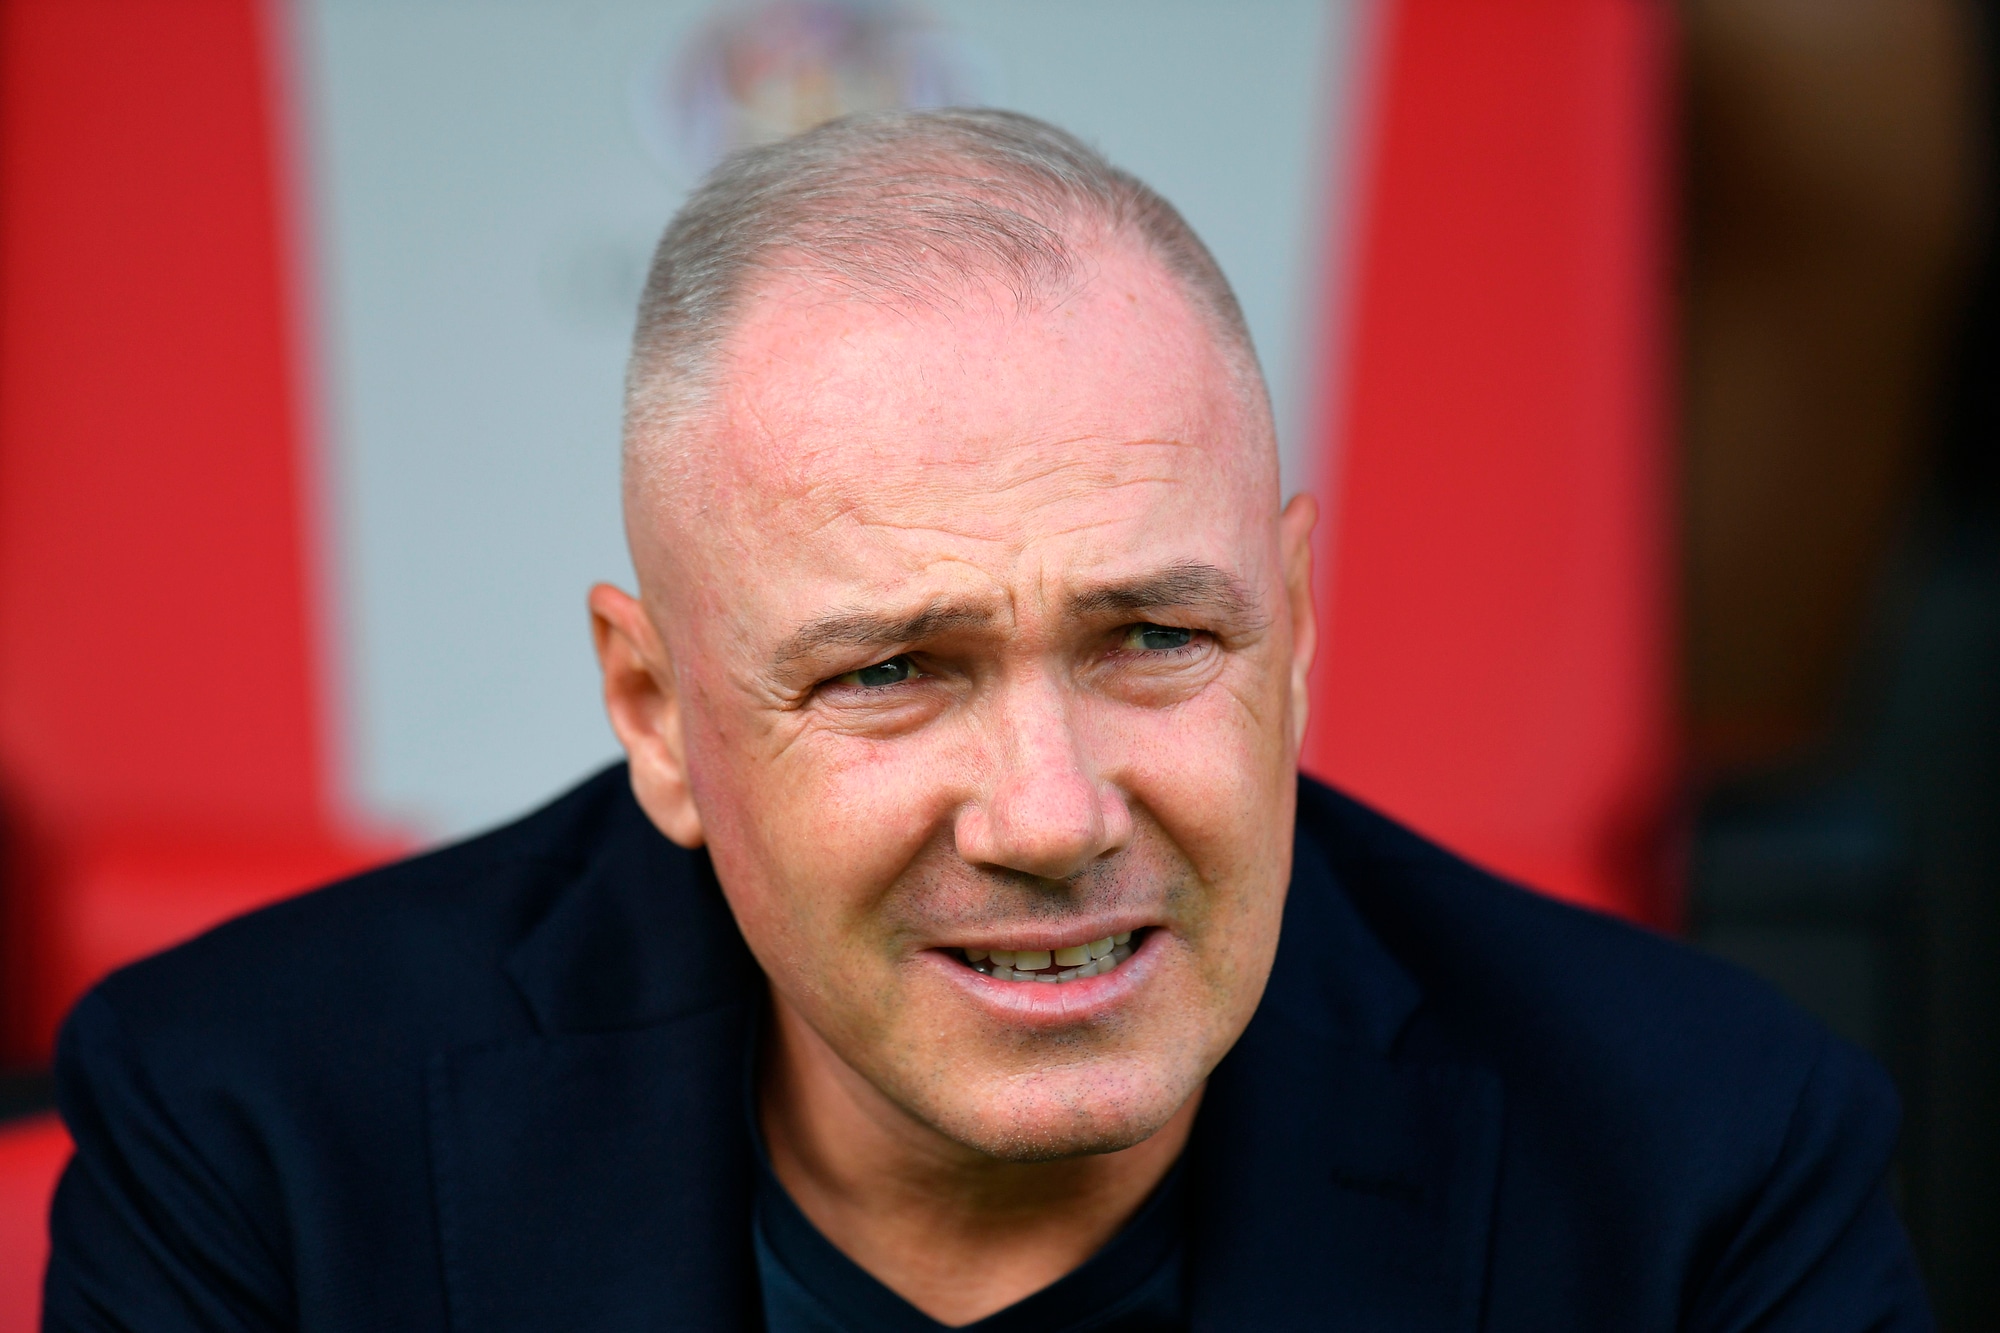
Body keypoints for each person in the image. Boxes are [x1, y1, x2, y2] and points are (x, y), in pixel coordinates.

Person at [43, 109, 1929, 1331]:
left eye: (1155, 637)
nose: (1049, 811)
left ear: (1292, 631)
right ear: (658, 715)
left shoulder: (1704, 1167)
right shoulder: (253, 1137)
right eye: (891, 671)